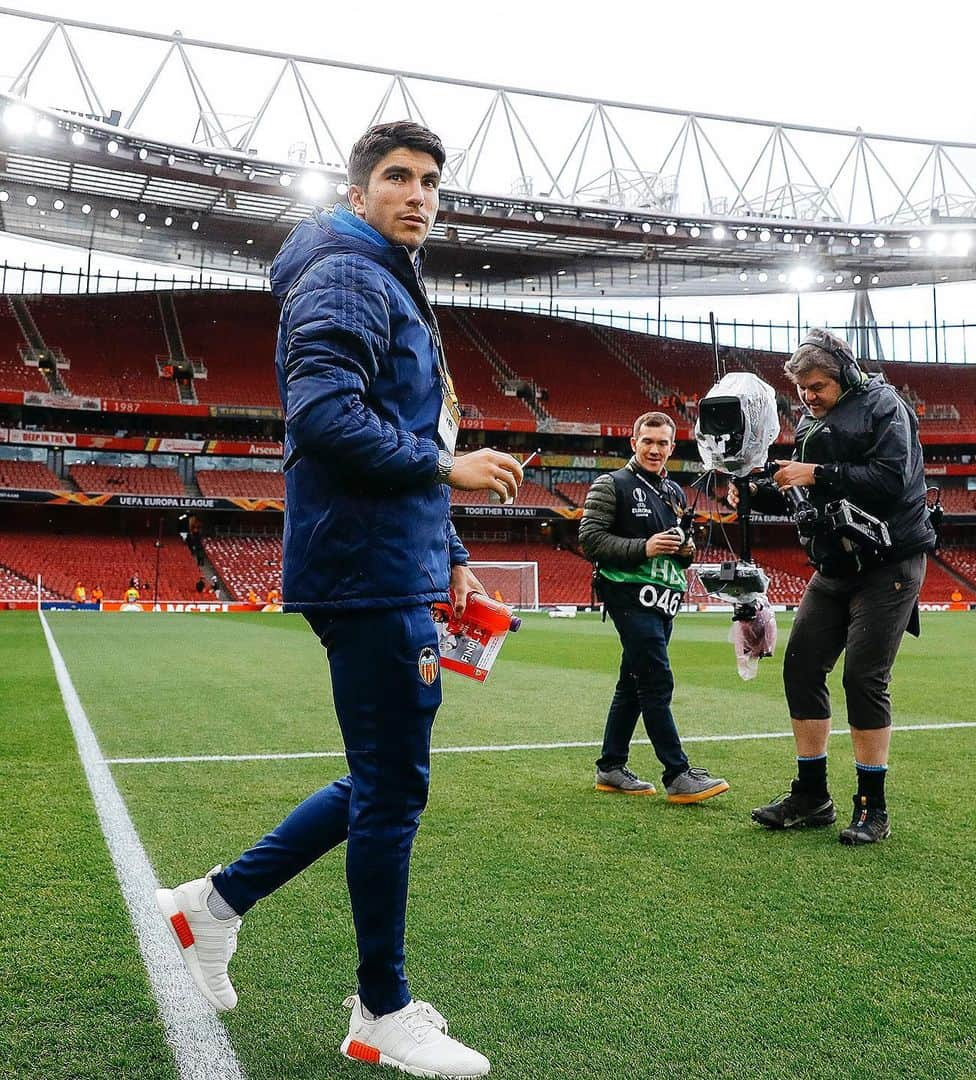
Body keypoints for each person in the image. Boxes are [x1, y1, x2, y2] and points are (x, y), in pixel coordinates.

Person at [155, 121, 522, 1078]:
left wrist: (447, 553)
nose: (419, 194)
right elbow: (324, 417)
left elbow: (396, 418)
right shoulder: (349, 270)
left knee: (380, 779)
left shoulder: (377, 269)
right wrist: (449, 467)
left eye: (432, 181)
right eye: (397, 178)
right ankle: (380, 1011)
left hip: (387, 559)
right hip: (361, 568)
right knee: (394, 789)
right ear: (357, 192)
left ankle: (211, 907)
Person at [738, 328, 936, 844]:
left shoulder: (885, 407)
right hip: (834, 565)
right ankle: (811, 795)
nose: (808, 396)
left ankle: (873, 807)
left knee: (863, 679)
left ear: (844, 375)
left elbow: (892, 479)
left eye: (818, 385)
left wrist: (816, 472)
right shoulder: (812, 419)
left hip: (888, 561)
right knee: (801, 666)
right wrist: (762, 489)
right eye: (802, 388)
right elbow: (806, 493)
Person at [580, 410, 729, 803]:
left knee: (632, 684)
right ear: (634, 443)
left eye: (662, 443)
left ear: (671, 447)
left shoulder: (675, 493)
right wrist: (643, 547)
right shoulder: (610, 484)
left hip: (664, 600)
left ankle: (610, 767)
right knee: (656, 680)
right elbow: (590, 540)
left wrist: (686, 550)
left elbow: (682, 556)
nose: (654, 449)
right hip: (628, 596)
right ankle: (677, 773)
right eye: (647, 441)